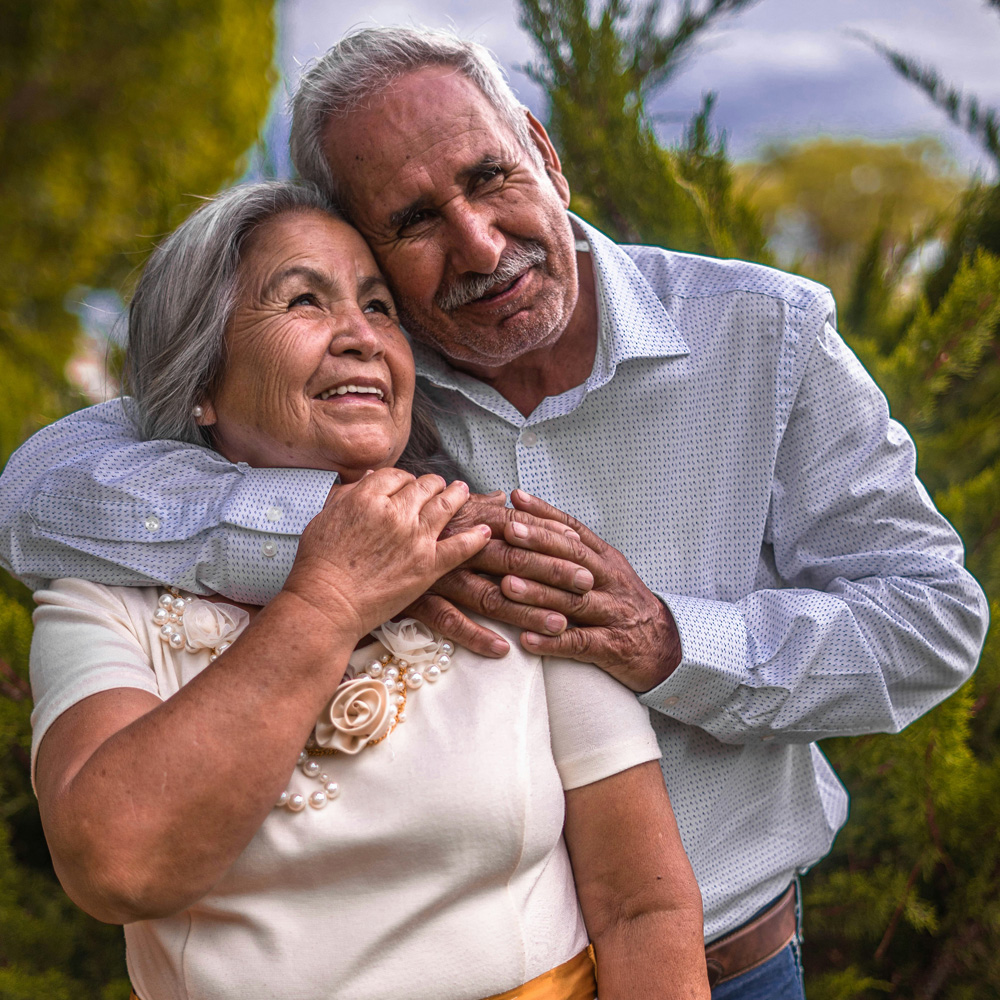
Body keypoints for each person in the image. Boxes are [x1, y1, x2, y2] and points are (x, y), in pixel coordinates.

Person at [0, 25, 989, 998]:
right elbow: (41, 494)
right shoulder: (368, 376)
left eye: (488, 178)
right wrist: (368, 532)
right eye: (413, 221)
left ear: (544, 154)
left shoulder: (767, 334)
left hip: (723, 961)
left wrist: (669, 639)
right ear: (367, 246)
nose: (478, 244)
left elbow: (930, 617)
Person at [26, 180, 710, 1000]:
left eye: (380, 307)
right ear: (201, 379)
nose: (361, 337)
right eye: (304, 301)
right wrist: (326, 602)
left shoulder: (499, 555)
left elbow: (642, 908)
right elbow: (117, 866)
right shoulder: (103, 601)